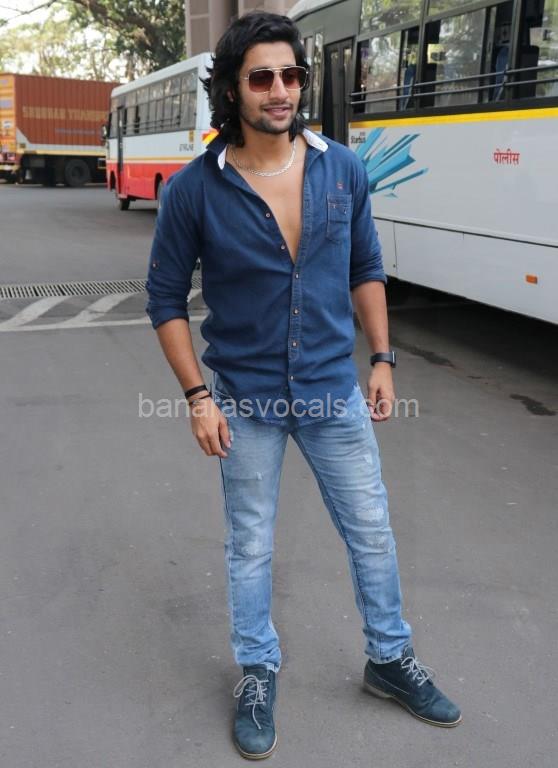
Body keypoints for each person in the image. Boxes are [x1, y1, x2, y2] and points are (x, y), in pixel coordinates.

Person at [145, 11, 461, 760]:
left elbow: (365, 267)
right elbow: (164, 299)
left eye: (291, 74)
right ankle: (257, 671)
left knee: (371, 531)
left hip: (332, 392)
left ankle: (389, 658)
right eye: (262, 77)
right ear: (232, 89)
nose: (280, 90)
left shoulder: (340, 169)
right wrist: (197, 398)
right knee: (251, 546)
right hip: (245, 400)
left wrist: (382, 358)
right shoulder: (195, 191)